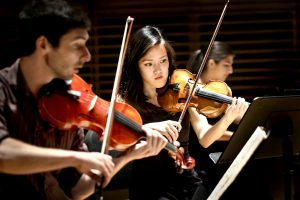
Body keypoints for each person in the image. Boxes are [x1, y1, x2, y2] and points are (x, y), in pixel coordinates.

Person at [0, 1, 173, 199]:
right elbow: (3, 154)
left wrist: (128, 156)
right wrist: (76, 158)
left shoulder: (71, 104)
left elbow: (77, 190)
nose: (87, 56)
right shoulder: (3, 90)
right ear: (43, 44)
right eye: (77, 46)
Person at [119, 26, 247, 200]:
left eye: (163, 61)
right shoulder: (126, 101)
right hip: (151, 186)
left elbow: (205, 137)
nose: (158, 70)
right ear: (137, 65)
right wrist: (150, 128)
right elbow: (117, 141)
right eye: (149, 64)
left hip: (187, 179)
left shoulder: (182, 90)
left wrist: (228, 118)